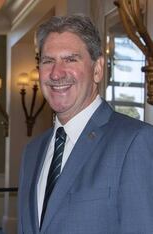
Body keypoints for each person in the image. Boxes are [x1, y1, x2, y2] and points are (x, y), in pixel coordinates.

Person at [17, 14, 153, 233]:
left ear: (97, 69)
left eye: (71, 59)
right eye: (48, 61)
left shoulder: (135, 142)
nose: (56, 73)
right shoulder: (32, 152)